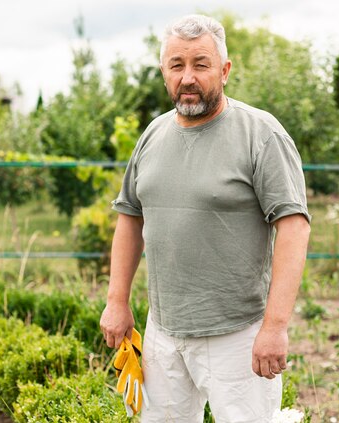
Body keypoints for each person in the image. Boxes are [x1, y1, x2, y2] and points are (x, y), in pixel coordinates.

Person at [100, 14, 311, 422]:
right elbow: (130, 217)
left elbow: (293, 226)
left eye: (201, 64)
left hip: (238, 334)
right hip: (163, 331)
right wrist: (116, 300)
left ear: (225, 70)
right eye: (177, 65)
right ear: (164, 72)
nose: (188, 77)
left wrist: (275, 326)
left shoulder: (261, 134)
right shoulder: (153, 135)